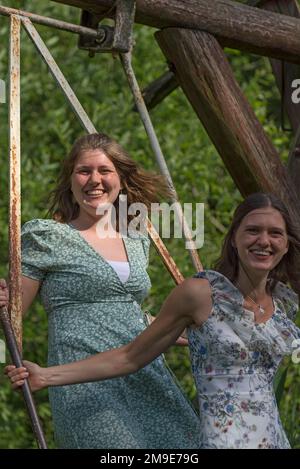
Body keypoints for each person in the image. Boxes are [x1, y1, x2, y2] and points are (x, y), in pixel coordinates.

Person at [5, 192, 300, 449]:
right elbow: (129, 357)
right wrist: (46, 376)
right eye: (253, 231)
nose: (264, 240)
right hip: (223, 440)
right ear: (234, 238)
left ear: (286, 244)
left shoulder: (285, 305)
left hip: (273, 440)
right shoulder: (200, 293)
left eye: (275, 233)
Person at [0, 132, 200, 449]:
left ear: (120, 178)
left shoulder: (137, 237)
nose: (95, 180)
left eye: (104, 171)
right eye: (84, 171)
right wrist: (4, 301)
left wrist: (162, 326)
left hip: (144, 371)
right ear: (70, 180)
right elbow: (13, 316)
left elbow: (122, 304)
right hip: (81, 379)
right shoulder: (46, 235)